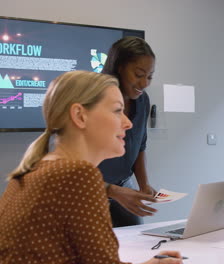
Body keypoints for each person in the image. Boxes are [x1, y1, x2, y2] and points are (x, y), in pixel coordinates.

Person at [0, 71, 182, 263]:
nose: (128, 123)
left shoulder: (32, 171)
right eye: (117, 111)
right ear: (80, 115)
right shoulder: (77, 175)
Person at [99, 36, 158, 227]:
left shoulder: (142, 100)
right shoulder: (94, 98)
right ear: (119, 67)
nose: (145, 83)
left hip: (123, 183)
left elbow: (140, 145)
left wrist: (144, 184)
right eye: (139, 74)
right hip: (90, 188)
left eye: (149, 76)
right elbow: (73, 173)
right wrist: (113, 191)